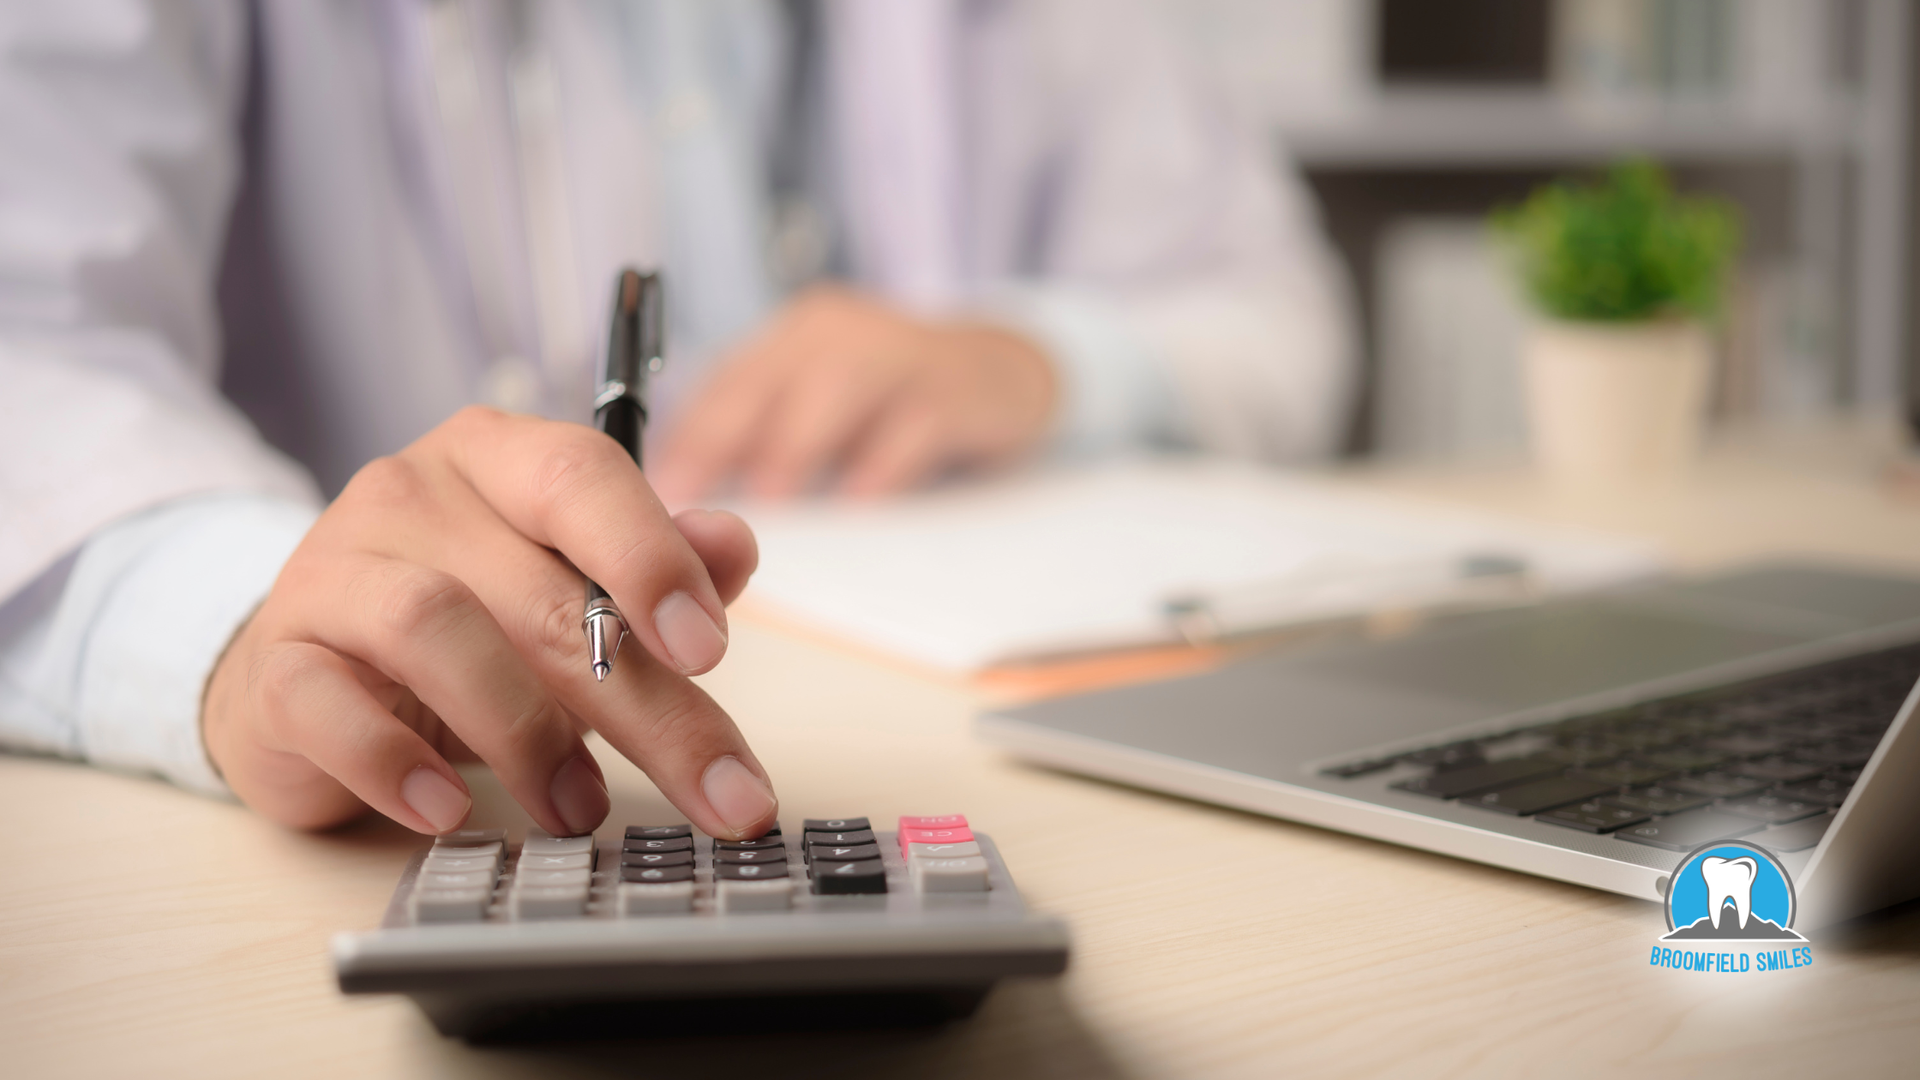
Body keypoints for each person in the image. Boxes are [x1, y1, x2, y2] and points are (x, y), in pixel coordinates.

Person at [0, 0, 1352, 840]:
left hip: (969, 706)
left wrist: (1040, 354)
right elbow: (30, 351)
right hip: (400, 785)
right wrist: (239, 616)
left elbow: (1274, 306)